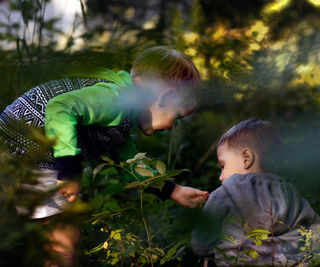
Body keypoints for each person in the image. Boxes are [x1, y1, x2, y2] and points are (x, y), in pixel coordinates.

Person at [0, 46, 209, 266]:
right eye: (176, 117)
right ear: (167, 97)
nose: (171, 126)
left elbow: (131, 165)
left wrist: (173, 191)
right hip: (24, 149)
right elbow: (60, 107)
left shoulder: (122, 120)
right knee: (62, 236)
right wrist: (69, 169)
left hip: (17, 148)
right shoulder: (115, 99)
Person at [191, 118, 320, 266]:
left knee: (209, 259)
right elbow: (318, 232)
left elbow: (201, 244)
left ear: (246, 158)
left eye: (223, 166)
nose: (220, 176)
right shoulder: (290, 192)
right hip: (287, 262)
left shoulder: (225, 193)